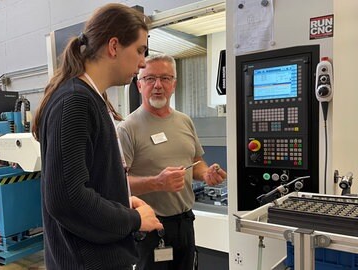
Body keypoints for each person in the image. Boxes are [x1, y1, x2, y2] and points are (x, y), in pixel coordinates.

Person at [32, 4, 163, 269]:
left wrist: (120, 200)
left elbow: (87, 180)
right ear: (114, 46)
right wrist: (133, 220)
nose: (142, 62)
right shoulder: (75, 101)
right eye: (140, 50)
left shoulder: (89, 98)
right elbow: (66, 198)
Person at [117, 53, 228, 270]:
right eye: (150, 79)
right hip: (149, 228)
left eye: (165, 78)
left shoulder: (184, 121)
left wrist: (206, 174)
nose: (158, 85)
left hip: (185, 223)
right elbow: (119, 183)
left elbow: (196, 162)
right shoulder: (127, 129)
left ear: (174, 84)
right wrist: (157, 182)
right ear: (139, 85)